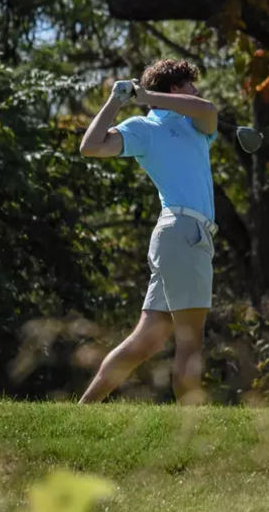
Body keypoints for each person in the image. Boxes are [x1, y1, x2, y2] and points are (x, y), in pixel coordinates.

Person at [78, 58, 219, 404]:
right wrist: (115, 101)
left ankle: (82, 410)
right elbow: (90, 147)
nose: (196, 91)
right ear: (174, 87)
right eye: (189, 84)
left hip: (176, 237)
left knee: (147, 341)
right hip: (184, 232)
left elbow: (207, 108)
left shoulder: (196, 124)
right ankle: (192, 429)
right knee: (190, 340)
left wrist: (146, 96)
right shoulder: (143, 128)